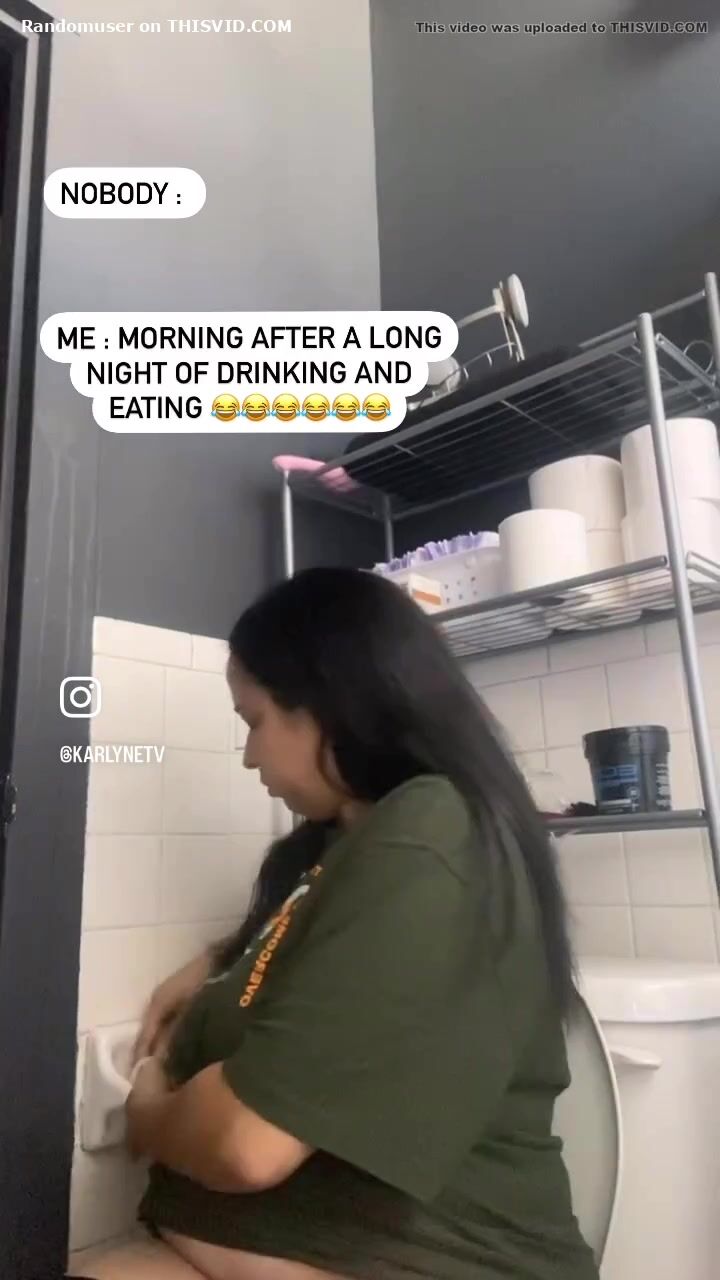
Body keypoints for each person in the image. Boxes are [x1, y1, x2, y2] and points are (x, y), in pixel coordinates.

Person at [73, 567, 599, 1280]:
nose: (249, 755)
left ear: (327, 702)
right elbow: (336, 963)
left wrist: (148, 1114)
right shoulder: (349, 845)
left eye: (254, 721)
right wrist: (217, 963)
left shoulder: (432, 832)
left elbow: (243, 1146)